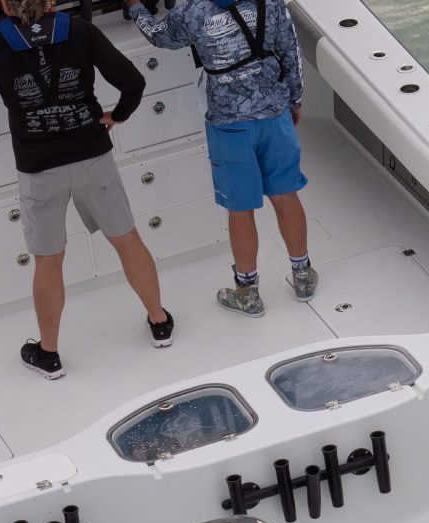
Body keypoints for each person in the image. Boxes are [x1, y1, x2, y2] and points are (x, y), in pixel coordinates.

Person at [0, 2, 174, 380]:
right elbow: (133, 83)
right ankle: (159, 323)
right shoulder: (80, 30)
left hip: (39, 169)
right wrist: (117, 115)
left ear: (4, 5)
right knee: (127, 240)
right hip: (92, 156)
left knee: (48, 261)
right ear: (51, 3)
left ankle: (49, 355)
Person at [126, 0, 314, 316]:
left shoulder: (192, 11)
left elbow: (159, 35)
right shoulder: (271, 3)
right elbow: (291, 51)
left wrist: (135, 7)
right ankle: (303, 277)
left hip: (229, 126)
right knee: (285, 195)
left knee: (240, 209)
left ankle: (248, 293)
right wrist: (294, 100)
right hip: (274, 115)